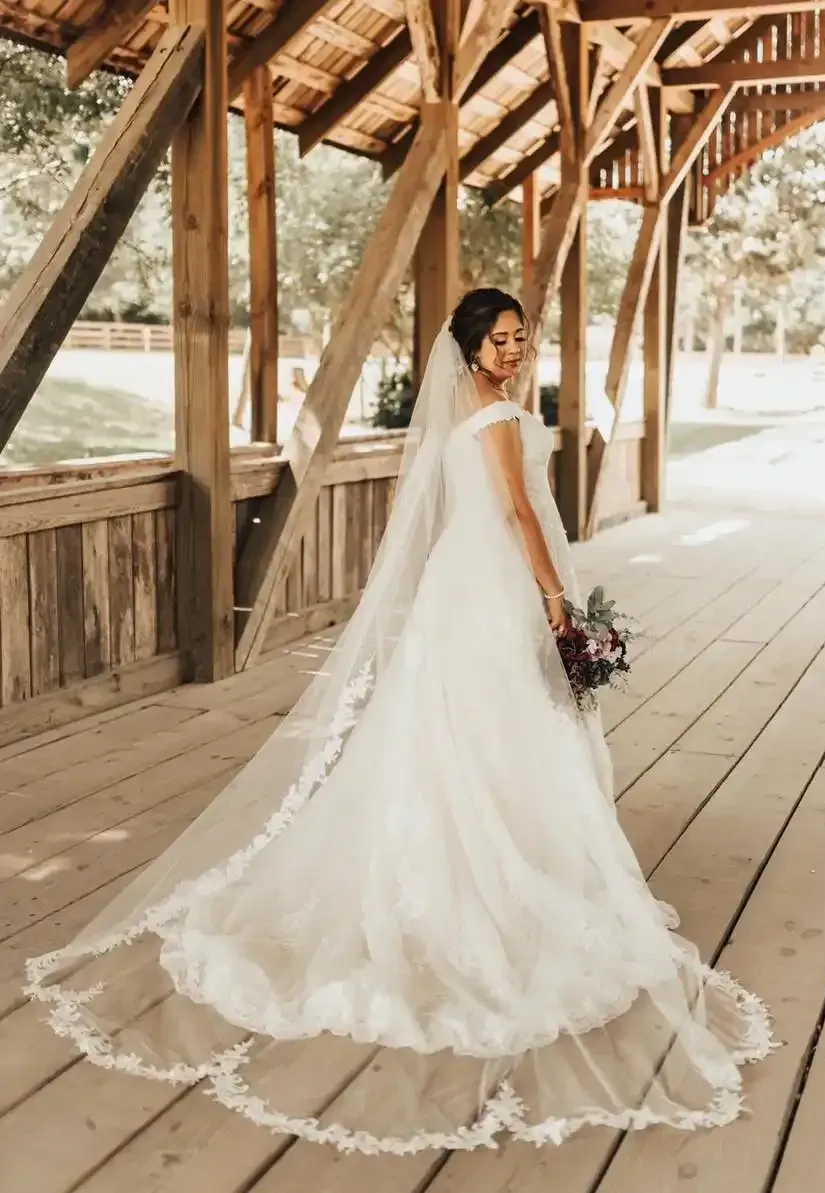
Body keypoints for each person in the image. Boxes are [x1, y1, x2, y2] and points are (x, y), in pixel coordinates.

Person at [25, 289, 773, 1154]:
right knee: (504, 723)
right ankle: (491, 872)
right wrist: (559, 602)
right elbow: (519, 511)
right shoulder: (492, 413)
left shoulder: (464, 405)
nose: (516, 350)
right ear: (470, 346)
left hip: (464, 580)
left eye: (523, 337)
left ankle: (479, 848)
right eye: (500, 338)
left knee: (462, 727)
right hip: (493, 583)